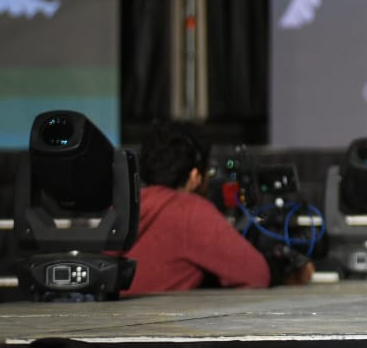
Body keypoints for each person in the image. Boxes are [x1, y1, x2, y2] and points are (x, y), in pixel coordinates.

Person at [125, 123, 312, 296]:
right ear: (195, 176)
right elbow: (257, 274)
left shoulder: (126, 206)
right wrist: (292, 272)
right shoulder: (188, 211)